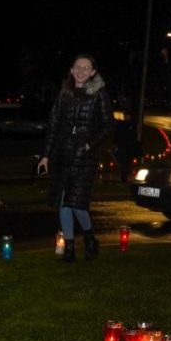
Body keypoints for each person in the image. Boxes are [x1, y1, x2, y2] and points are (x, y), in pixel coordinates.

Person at [37, 54, 112, 262]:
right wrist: (46, 155)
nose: (81, 71)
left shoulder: (99, 94)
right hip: (63, 153)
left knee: (77, 202)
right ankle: (69, 248)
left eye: (86, 68)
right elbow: (53, 125)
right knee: (64, 201)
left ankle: (89, 239)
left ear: (93, 72)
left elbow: (107, 126)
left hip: (85, 156)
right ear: (71, 70)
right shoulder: (64, 93)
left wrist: (89, 144)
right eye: (77, 67)